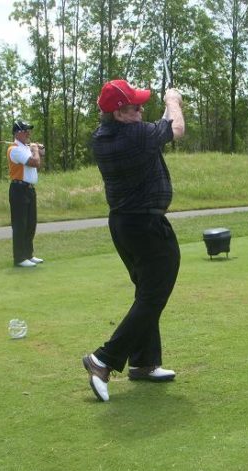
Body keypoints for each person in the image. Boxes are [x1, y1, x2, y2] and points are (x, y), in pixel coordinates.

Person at [82, 79, 185, 402]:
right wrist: (173, 100)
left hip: (124, 225)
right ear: (118, 114)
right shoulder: (136, 136)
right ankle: (103, 360)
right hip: (145, 225)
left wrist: (165, 109)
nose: (141, 110)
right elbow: (176, 128)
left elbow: (159, 130)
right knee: (154, 294)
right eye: (135, 107)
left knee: (147, 292)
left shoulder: (102, 137)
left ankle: (143, 362)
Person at [7, 120, 45, 267]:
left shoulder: (26, 148)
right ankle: (19, 258)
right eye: (25, 130)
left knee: (30, 224)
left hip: (29, 189)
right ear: (17, 133)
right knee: (20, 225)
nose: (28, 133)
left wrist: (40, 151)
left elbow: (40, 159)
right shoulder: (14, 149)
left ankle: (28, 254)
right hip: (18, 189)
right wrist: (35, 150)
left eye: (28, 130)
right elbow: (35, 162)